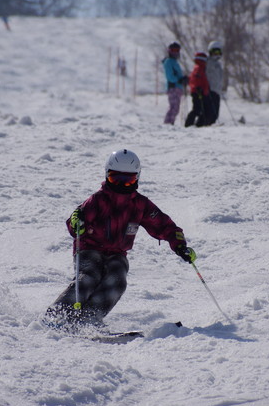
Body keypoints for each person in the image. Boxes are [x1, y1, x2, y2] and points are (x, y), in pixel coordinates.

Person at [43, 149, 196, 330]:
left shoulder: (140, 204)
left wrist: (179, 245)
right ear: (107, 175)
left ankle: (88, 319)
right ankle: (57, 314)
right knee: (89, 277)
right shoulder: (97, 200)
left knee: (117, 280)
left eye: (128, 180)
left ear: (137, 177)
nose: (122, 185)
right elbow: (74, 222)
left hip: (117, 253)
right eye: (116, 179)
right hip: (89, 248)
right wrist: (78, 223)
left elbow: (163, 225)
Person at [185, 52, 214, 127]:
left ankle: (200, 124)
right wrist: (198, 88)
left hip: (202, 92)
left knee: (204, 109)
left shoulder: (200, 68)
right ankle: (191, 124)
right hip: (198, 92)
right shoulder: (199, 68)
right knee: (198, 109)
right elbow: (195, 80)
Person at [162, 42, 188, 125]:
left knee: (176, 108)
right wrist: (179, 80)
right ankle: (168, 123)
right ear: (169, 51)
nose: (175, 52)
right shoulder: (169, 61)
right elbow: (170, 76)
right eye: (173, 50)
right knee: (174, 107)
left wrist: (183, 79)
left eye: (177, 50)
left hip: (177, 87)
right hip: (173, 87)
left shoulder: (175, 62)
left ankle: (170, 123)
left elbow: (177, 74)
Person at [206, 41, 225, 124]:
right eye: (215, 52)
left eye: (218, 52)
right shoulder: (208, 63)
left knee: (216, 112)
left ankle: (211, 124)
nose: (217, 54)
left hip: (217, 90)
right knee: (210, 111)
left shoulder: (218, 64)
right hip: (210, 90)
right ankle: (206, 124)